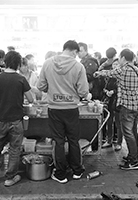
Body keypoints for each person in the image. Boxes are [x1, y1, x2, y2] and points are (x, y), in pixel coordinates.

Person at [37, 40, 91, 184]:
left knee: (58, 141)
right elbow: (83, 91)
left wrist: (53, 89)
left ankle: (60, 174)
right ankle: (77, 171)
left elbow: (41, 86)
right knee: (73, 140)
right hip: (71, 109)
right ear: (75, 51)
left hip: (54, 109)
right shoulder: (78, 66)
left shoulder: (48, 63)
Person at [0, 50, 34, 187]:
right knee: (14, 149)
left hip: (0, 120)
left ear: (4, 62)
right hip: (16, 121)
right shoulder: (21, 79)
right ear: (18, 64)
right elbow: (30, 98)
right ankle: (9, 178)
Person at [94, 49, 138, 170]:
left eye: (120, 58)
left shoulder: (123, 69)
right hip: (137, 105)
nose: (119, 60)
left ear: (124, 58)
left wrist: (98, 73)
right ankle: (134, 155)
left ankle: (134, 161)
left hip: (127, 106)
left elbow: (109, 73)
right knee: (133, 132)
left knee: (128, 133)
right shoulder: (137, 69)